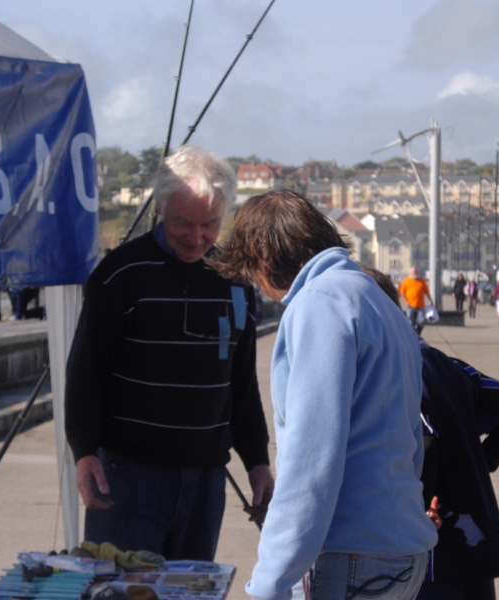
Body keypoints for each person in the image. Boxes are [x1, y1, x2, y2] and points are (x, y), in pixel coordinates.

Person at [210, 189, 437, 600]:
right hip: (402, 548)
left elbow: (310, 459)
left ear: (263, 259)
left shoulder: (318, 304)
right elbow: (410, 438)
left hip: (351, 555)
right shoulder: (378, 300)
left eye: (252, 275)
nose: (259, 289)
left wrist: (270, 582)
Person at [64, 145, 274, 561]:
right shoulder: (119, 275)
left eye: (209, 224)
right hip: (126, 479)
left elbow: (242, 384)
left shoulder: (235, 282)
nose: (196, 238)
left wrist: (257, 461)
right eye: (183, 223)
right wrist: (84, 450)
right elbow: (85, 372)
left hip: (206, 481)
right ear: (159, 208)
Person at [365, 266, 499, 600]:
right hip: (475, 544)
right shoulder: (449, 367)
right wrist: (482, 458)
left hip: (428, 557)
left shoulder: (390, 372)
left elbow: (425, 439)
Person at [400, 266, 435, 335]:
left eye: (415, 272)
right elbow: (402, 293)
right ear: (410, 272)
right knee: (410, 322)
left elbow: (426, 292)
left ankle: (418, 333)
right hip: (410, 305)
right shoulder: (406, 281)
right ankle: (412, 335)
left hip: (421, 305)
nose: (414, 273)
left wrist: (431, 300)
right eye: (413, 272)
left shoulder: (421, 281)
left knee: (421, 322)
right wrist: (405, 302)